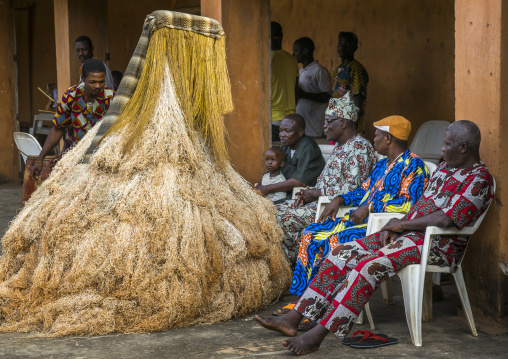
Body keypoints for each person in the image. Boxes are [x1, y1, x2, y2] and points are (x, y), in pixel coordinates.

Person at [254, 120, 494, 355]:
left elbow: (445, 220)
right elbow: (419, 206)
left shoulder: (478, 179)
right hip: (408, 235)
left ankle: (317, 335)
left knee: (367, 266)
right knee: (341, 253)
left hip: (436, 245)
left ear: (463, 148)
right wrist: (395, 226)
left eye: (447, 144)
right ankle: (294, 318)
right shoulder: (444, 169)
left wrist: (400, 223)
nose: (441, 148)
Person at [288, 115, 429, 297]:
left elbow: (408, 204)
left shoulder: (414, 166)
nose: (374, 138)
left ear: (388, 138)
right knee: (311, 233)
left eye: (377, 135)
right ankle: (302, 299)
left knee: (335, 241)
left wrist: (370, 207)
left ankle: (325, 302)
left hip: (380, 228)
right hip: (357, 220)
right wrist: (339, 199)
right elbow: (362, 192)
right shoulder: (381, 165)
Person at [276, 92, 376, 262]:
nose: (324, 126)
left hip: (333, 211)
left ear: (343, 122)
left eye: (329, 121)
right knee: (270, 211)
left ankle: (292, 267)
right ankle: (295, 264)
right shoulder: (340, 147)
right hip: (317, 204)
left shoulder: (359, 148)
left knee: (281, 218)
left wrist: (318, 193)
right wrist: (309, 193)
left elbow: (353, 189)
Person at [30, 59, 115, 178]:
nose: (98, 86)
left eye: (101, 82)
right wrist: (40, 159)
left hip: (103, 156)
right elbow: (58, 128)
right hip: (77, 155)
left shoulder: (110, 98)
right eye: (93, 82)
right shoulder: (71, 96)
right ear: (83, 78)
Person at [255, 114, 325, 197]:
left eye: (287, 131)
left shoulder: (308, 148)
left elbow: (299, 182)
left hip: (302, 196)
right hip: (282, 193)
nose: (282, 135)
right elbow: (273, 169)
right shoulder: (286, 146)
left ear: (300, 132)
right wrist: (258, 187)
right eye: (281, 130)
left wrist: (267, 188)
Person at [330, 32, 369, 134]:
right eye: (340, 44)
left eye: (346, 44)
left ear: (354, 47)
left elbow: (358, 99)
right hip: (336, 123)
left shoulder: (357, 69)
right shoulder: (337, 70)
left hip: (350, 125)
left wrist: (352, 126)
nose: (342, 47)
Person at [293, 37, 331, 137]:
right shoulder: (300, 71)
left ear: (305, 51)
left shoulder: (319, 70)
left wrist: (303, 94)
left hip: (314, 126)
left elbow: (327, 96)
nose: (293, 54)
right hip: (302, 125)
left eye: (296, 51)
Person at [271, 21, 299, 141]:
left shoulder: (266, 58)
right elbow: (295, 89)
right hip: (290, 120)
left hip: (272, 118)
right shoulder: (292, 59)